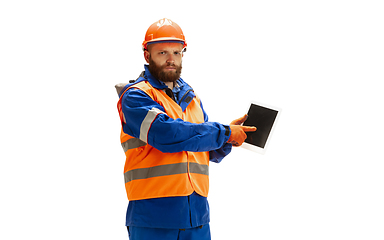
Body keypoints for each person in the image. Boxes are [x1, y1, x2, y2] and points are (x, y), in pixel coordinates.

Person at [115, 18, 256, 240]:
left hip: (197, 217)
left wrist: (229, 139)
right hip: (154, 218)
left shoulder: (192, 99)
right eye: (162, 53)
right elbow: (168, 135)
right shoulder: (135, 96)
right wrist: (224, 132)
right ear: (146, 55)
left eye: (177, 52)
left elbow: (202, 150)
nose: (171, 59)